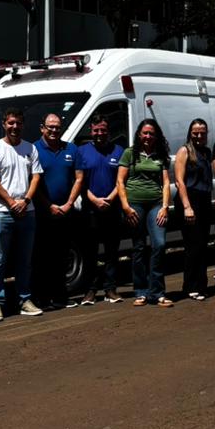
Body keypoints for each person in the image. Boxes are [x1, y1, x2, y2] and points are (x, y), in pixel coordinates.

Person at [0, 107, 43, 321]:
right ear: (4, 124)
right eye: (11, 123)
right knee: (0, 260)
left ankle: (24, 300)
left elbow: (36, 177)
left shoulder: (30, 148)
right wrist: (11, 203)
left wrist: (26, 201)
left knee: (24, 260)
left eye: (18, 123)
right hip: (2, 213)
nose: (15, 127)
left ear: (23, 124)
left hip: (27, 212)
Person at [117, 119, 172, 308]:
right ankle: (141, 291)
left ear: (156, 136)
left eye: (151, 133)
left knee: (160, 244)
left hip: (156, 204)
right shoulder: (129, 154)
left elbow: (165, 183)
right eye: (145, 133)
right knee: (139, 247)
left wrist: (165, 206)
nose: (148, 137)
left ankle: (158, 293)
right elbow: (120, 182)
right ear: (139, 134)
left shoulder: (161, 155)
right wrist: (125, 206)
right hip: (135, 205)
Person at [33, 113, 82, 309]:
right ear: (42, 128)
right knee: (42, 257)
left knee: (62, 256)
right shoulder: (34, 149)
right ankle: (42, 299)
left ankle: (61, 297)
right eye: (50, 127)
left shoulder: (71, 149)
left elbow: (79, 178)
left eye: (57, 127)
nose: (54, 130)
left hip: (66, 211)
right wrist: (49, 205)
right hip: (43, 212)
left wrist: (69, 203)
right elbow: (33, 182)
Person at [75, 114, 124, 305]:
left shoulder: (118, 151)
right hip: (91, 210)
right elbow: (79, 181)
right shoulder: (82, 151)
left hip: (112, 208)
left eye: (103, 130)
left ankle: (110, 290)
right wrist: (95, 200)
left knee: (112, 252)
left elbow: (122, 180)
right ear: (91, 131)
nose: (100, 134)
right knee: (90, 253)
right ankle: (90, 291)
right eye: (96, 130)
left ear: (108, 131)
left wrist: (110, 199)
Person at [174, 118, 213, 301]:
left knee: (203, 245)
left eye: (202, 132)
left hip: (204, 201)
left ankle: (201, 285)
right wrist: (187, 206)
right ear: (190, 133)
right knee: (192, 246)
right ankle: (189, 286)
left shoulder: (206, 151)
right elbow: (179, 180)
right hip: (190, 200)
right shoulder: (184, 151)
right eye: (195, 132)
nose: (199, 135)